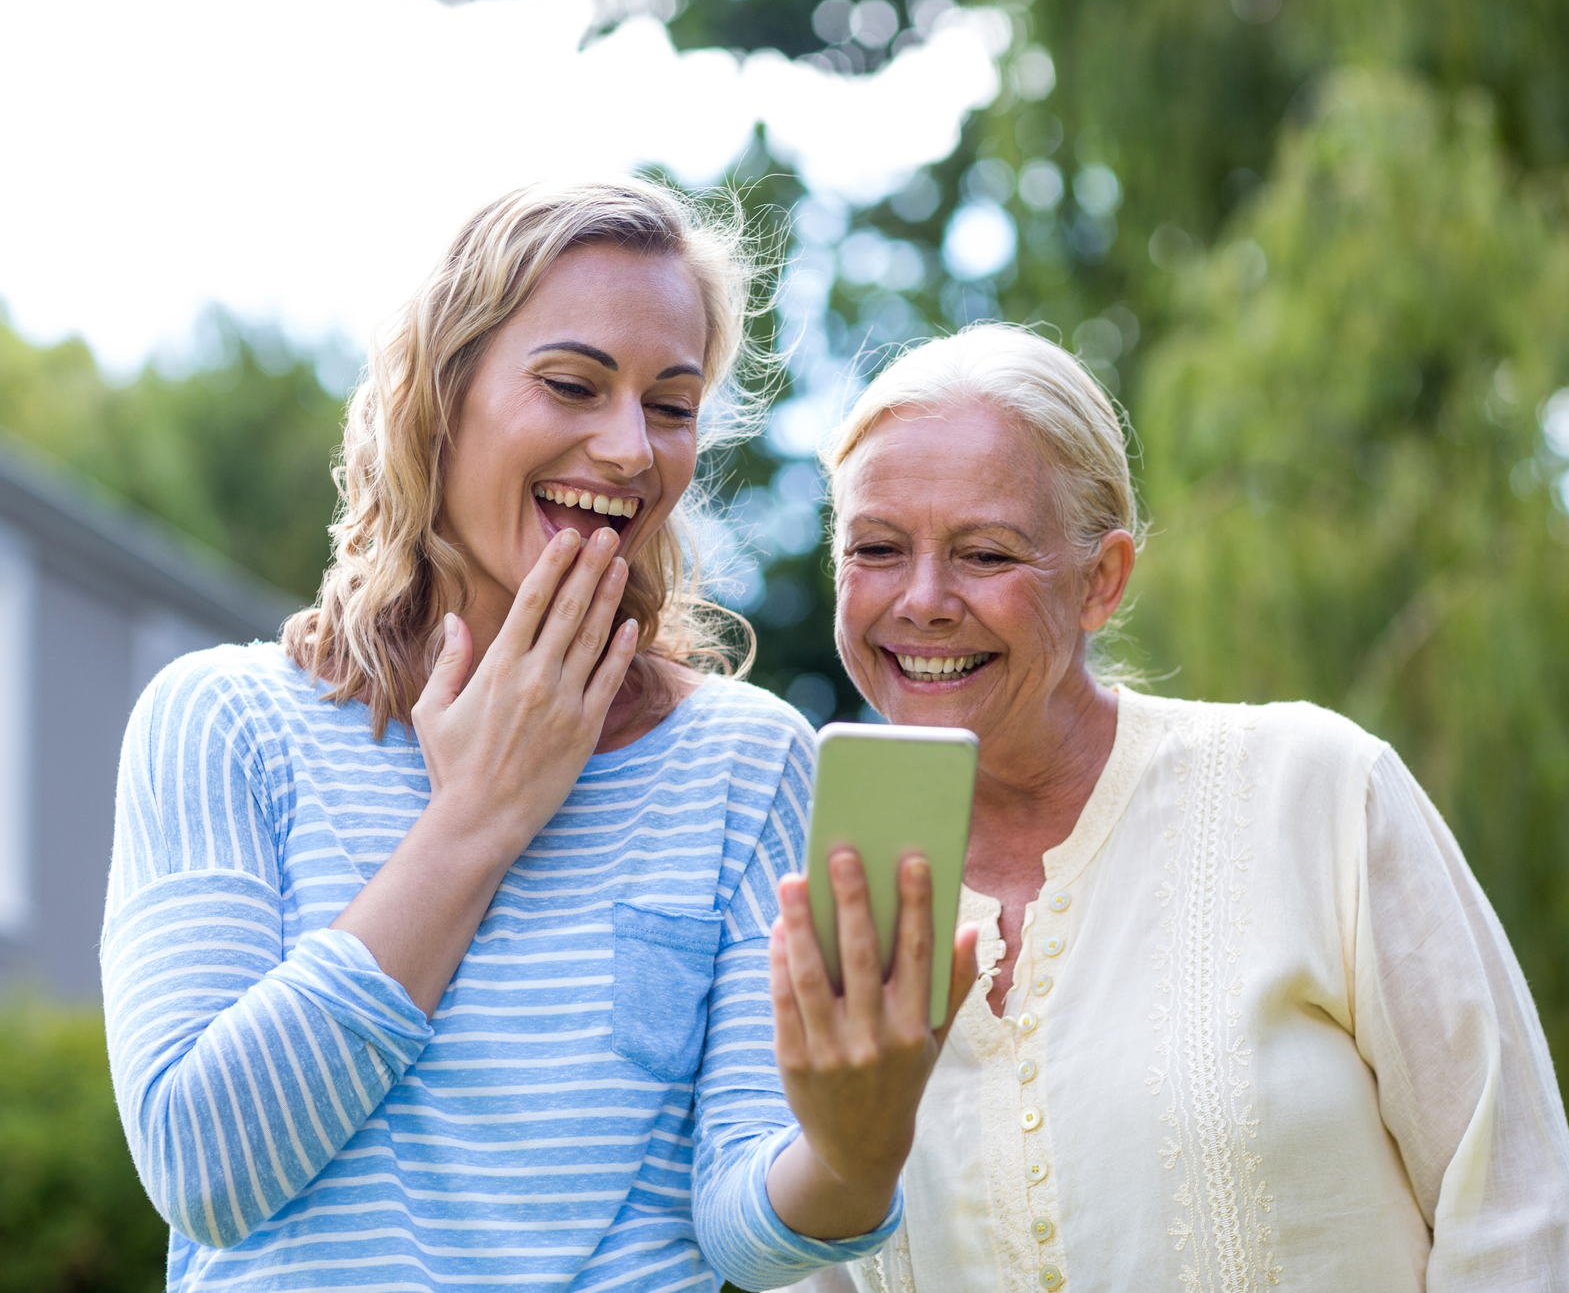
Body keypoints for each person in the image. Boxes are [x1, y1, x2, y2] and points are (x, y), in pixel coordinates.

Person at [101, 180, 952, 1293]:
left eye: (671, 404)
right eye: (571, 384)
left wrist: (856, 1145)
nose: (629, 449)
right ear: (441, 399)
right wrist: (479, 818)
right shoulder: (224, 724)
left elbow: (746, 1226)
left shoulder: (745, 761)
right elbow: (201, 1163)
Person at [778, 325, 1569, 1292]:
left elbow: (1513, 1216)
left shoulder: (1318, 793)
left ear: (1102, 580)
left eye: (984, 554)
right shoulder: (801, 898)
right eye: (876, 548)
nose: (920, 600)